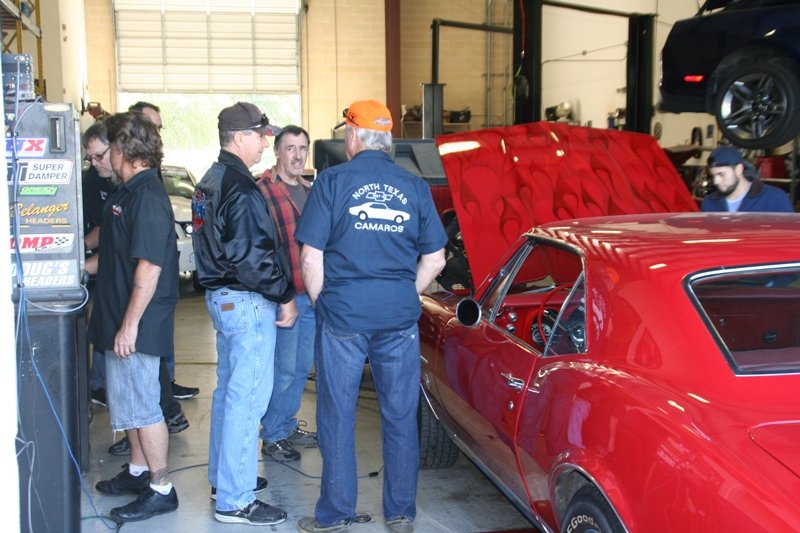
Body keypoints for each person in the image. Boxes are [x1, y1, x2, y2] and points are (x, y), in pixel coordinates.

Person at [294, 100, 447, 533]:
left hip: (343, 316)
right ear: (388, 139)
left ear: (353, 137)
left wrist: (323, 303)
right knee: (400, 416)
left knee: (337, 415)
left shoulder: (331, 181)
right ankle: (400, 513)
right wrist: (404, 293)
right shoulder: (414, 185)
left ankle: (336, 513)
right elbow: (436, 259)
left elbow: (310, 257)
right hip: (398, 321)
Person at [192, 102, 296, 526]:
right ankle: (235, 499)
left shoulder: (210, 180)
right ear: (239, 137)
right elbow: (253, 260)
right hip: (246, 301)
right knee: (247, 398)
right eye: (261, 136)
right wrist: (285, 294)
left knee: (229, 394)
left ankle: (226, 479)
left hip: (222, 299)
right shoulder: (240, 188)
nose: (265, 144)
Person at [88, 111, 180, 522]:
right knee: (127, 403)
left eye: (109, 148)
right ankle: (139, 471)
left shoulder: (147, 197)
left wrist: (129, 326)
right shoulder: (126, 192)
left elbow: (149, 267)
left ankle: (161, 488)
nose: (105, 157)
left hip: (138, 324)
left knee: (144, 407)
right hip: (118, 318)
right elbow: (113, 255)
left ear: (122, 149)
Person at [129, 100, 201, 401]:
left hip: (165, 273)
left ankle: (166, 384)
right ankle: (160, 395)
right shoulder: (134, 184)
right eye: (152, 127)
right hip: (145, 270)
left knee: (161, 327)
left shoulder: (154, 173)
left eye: (160, 128)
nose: (157, 134)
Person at [255, 125, 318, 462]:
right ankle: (273, 434)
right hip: (285, 297)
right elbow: (261, 249)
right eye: (290, 148)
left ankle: (287, 424)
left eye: (302, 148)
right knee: (283, 368)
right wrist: (280, 296)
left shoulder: (311, 191)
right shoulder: (263, 191)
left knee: (301, 368)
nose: (297, 155)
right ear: (277, 151)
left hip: (312, 294)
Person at [701, 145, 794, 212]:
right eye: (713, 175)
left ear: (738, 169)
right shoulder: (709, 203)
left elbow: (790, 233)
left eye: (721, 174)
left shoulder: (775, 199)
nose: (716, 181)